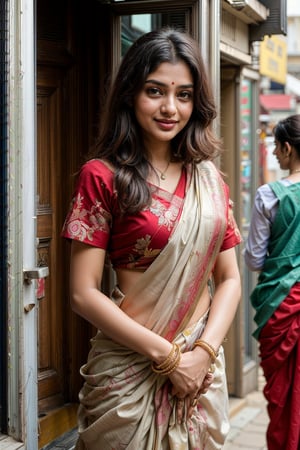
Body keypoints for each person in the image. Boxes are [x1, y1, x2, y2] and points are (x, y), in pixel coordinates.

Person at [62, 27, 241, 450]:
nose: (170, 108)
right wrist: (169, 358)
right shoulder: (102, 176)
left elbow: (230, 278)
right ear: (129, 94)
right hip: (129, 375)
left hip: (201, 373)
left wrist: (202, 354)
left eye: (183, 95)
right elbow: (83, 294)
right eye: (155, 91)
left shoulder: (210, 181)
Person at [244, 114, 300, 450]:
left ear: (287, 148)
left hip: (279, 305)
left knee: (282, 400)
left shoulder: (269, 195)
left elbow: (253, 259)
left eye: (277, 149)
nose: (275, 156)